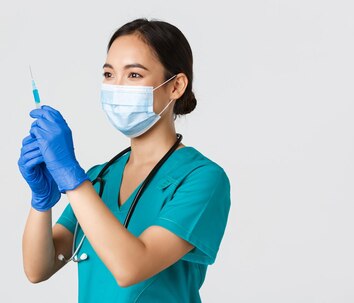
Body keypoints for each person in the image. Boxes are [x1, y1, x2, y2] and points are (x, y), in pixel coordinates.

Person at [17, 18, 231, 302]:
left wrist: (71, 178)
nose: (116, 87)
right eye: (109, 74)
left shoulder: (201, 177)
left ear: (176, 86)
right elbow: (38, 268)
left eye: (134, 75)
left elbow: (131, 267)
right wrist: (41, 202)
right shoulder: (99, 178)